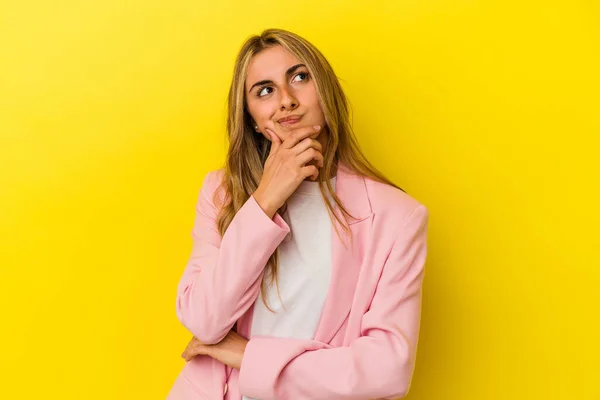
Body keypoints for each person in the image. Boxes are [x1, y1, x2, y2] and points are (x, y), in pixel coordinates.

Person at [167, 28, 429, 400]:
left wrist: (246, 355)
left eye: (300, 77)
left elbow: (387, 372)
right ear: (253, 119)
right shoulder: (221, 194)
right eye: (265, 90)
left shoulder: (397, 217)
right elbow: (204, 320)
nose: (286, 101)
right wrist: (264, 202)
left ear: (327, 94)